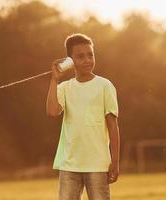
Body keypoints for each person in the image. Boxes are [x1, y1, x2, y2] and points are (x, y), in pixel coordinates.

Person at [46, 33, 120, 200]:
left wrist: (114, 162)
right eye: (80, 56)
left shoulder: (105, 86)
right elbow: (52, 111)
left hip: (98, 165)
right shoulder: (65, 87)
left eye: (90, 55)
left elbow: (113, 127)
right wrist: (54, 80)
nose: (87, 60)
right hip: (70, 166)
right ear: (70, 61)